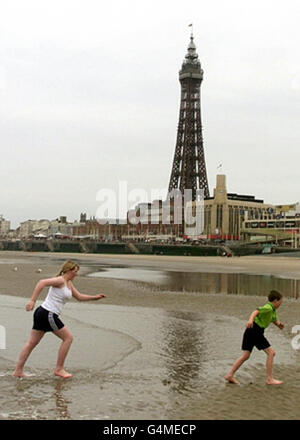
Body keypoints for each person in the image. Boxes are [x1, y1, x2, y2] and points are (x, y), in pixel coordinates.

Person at [13, 260, 106, 379]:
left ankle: (18, 371)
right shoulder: (60, 280)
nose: (76, 274)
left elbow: (79, 297)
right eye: (75, 272)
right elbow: (41, 282)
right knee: (68, 338)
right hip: (48, 313)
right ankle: (59, 369)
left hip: (42, 313)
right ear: (68, 270)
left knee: (31, 343)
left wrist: (95, 298)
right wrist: (32, 300)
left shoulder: (69, 283)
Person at [225, 290, 284, 385]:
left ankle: (229, 375)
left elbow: (273, 319)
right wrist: (250, 320)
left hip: (250, 331)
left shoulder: (272, 310)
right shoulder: (268, 308)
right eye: (280, 302)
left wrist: (279, 324)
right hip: (255, 330)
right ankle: (269, 379)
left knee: (245, 355)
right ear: (275, 301)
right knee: (271, 353)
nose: (281, 304)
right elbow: (256, 311)